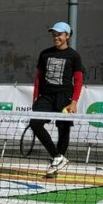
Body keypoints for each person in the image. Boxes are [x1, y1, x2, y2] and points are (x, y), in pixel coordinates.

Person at [30, 21, 84, 178]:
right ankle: (58, 157)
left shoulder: (74, 56)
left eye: (59, 34)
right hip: (45, 97)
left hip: (65, 98)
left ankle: (55, 166)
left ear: (67, 36)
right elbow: (38, 78)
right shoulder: (44, 54)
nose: (56, 37)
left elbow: (79, 80)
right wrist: (35, 98)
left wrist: (74, 102)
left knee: (63, 129)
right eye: (54, 34)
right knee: (35, 123)